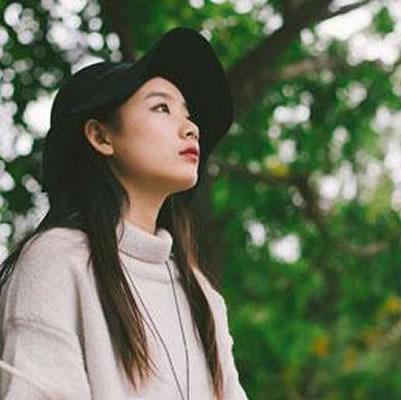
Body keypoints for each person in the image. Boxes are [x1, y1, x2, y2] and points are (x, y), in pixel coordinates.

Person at [0, 27, 248, 400]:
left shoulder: (203, 295)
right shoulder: (58, 261)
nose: (191, 128)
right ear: (101, 137)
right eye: (162, 108)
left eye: (188, 114)